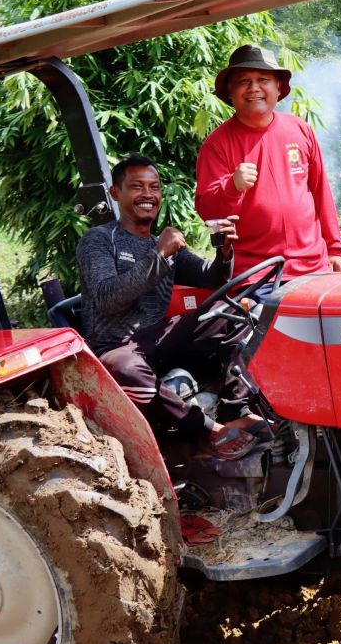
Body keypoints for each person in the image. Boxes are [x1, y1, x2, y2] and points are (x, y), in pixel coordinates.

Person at [77, 155, 262, 461]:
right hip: (114, 345)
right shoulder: (98, 240)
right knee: (123, 370)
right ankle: (207, 429)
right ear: (115, 193)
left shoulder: (164, 242)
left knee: (236, 313)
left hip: (158, 336)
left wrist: (224, 250)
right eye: (136, 187)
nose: (148, 194)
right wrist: (160, 256)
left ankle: (236, 408)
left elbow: (212, 277)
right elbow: (108, 297)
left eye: (154, 187)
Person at [195, 44, 341, 279]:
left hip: (315, 267)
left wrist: (335, 248)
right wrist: (232, 186)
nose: (254, 88)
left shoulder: (300, 129)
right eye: (244, 81)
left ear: (278, 87)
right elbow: (207, 212)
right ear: (231, 91)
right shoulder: (216, 145)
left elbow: (320, 193)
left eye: (263, 79)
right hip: (255, 276)